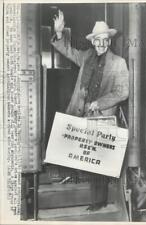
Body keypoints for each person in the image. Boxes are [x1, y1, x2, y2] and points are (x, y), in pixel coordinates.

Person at [51, 10, 129, 211]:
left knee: (99, 160)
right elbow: (68, 51)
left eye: (104, 40)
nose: (101, 44)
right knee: (71, 146)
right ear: (93, 42)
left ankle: (99, 201)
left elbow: (123, 92)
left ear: (109, 42)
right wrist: (59, 34)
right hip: (81, 111)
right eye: (97, 40)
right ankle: (70, 176)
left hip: (102, 117)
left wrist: (100, 103)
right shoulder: (86, 57)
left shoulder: (119, 63)